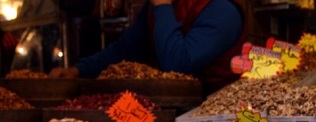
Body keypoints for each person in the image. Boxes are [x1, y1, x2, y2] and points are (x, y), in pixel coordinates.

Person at [49, 0, 247, 95]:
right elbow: (125, 49)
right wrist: (79, 70)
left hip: (215, 112)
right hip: (171, 105)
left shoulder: (222, 8)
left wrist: (162, 5)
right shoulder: (161, 6)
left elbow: (178, 63)